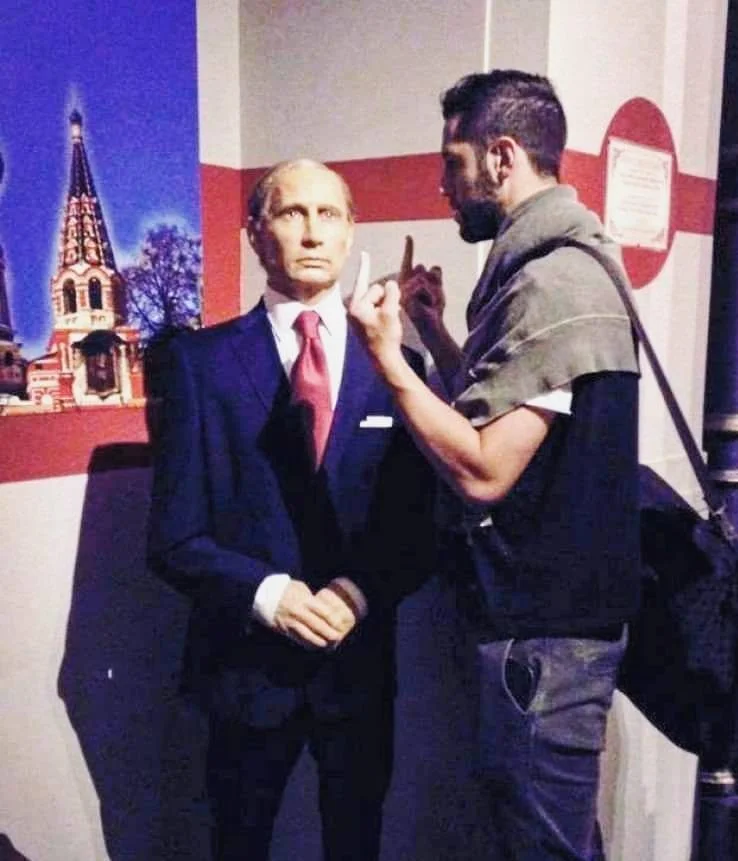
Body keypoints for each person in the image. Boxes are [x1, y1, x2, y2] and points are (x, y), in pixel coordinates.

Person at [349, 69, 641, 861]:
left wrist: (389, 359)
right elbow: (518, 411)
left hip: (543, 642)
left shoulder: (552, 281)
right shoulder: (565, 267)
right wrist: (438, 335)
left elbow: (484, 470)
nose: (444, 186)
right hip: (551, 637)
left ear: (502, 157)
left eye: (454, 163)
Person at [147, 158, 433, 861]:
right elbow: (174, 536)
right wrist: (268, 595)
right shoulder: (198, 364)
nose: (311, 232)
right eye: (290, 213)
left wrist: (358, 592)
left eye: (327, 214)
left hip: (357, 670)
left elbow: (416, 528)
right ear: (255, 231)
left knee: (356, 845)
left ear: (350, 231)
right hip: (246, 673)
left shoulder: (398, 367)